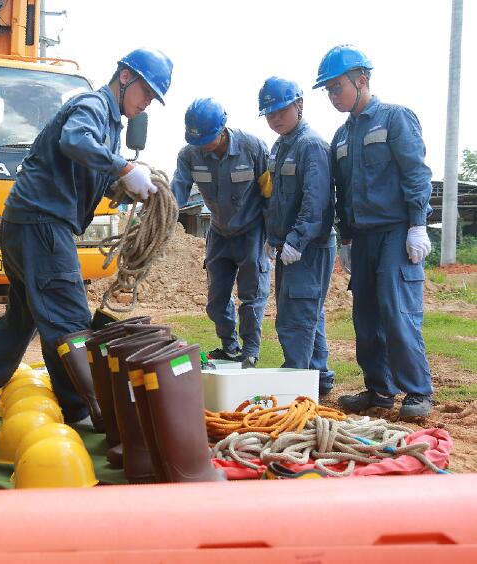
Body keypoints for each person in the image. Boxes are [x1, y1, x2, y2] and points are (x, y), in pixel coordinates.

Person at [0, 48, 174, 423]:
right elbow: (75, 142)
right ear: (125, 77)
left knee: (24, 314)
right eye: (146, 91)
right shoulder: (94, 106)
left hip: (26, 223)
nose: (147, 103)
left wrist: (122, 185)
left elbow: (85, 171)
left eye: (153, 98)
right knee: (70, 320)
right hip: (43, 224)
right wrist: (124, 167)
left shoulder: (110, 127)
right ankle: (88, 410)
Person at [314, 44, 434, 418]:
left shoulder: (396, 119)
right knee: (365, 318)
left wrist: (418, 225)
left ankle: (417, 392)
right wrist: (346, 238)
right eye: (328, 91)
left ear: (361, 80)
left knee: (397, 312)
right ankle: (379, 391)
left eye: (337, 88)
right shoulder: (341, 137)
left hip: (397, 232)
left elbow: (416, 174)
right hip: (363, 238)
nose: (333, 96)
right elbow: (342, 192)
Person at [171, 98, 270, 368]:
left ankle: (250, 350)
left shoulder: (253, 148)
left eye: (207, 138)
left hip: (251, 232)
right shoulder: (189, 155)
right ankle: (229, 346)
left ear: (222, 128)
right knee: (216, 300)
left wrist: (274, 234)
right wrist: (163, 218)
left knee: (251, 298)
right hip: (218, 233)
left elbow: (270, 192)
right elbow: (177, 191)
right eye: (197, 140)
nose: (202, 145)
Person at [258, 77, 336, 396]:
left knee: (296, 314)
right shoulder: (280, 146)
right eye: (269, 112)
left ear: (299, 105)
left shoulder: (310, 145)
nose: (275, 117)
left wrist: (296, 240)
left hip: (309, 247)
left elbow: (315, 200)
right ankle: (320, 377)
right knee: (308, 311)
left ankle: (296, 382)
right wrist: (272, 236)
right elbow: (274, 197)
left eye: (281, 110)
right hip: (288, 245)